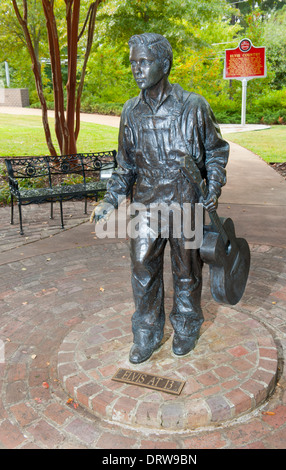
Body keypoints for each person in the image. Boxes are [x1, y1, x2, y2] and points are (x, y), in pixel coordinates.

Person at [90, 33, 229, 364]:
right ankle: (147, 333)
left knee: (186, 271)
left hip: (185, 202)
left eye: (144, 62)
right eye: (133, 63)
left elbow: (216, 150)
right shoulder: (130, 111)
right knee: (142, 267)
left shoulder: (194, 106)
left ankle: (186, 326)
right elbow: (124, 167)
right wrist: (110, 200)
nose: (137, 69)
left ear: (164, 65)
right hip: (146, 205)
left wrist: (214, 184)